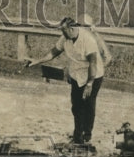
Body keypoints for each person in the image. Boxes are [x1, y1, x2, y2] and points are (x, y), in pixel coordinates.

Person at [26, 16, 104, 146]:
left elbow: (93, 63)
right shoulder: (65, 38)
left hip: (93, 74)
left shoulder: (88, 40)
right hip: (76, 74)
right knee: (76, 105)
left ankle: (87, 135)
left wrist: (89, 84)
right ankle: (77, 135)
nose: (62, 33)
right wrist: (37, 60)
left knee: (88, 104)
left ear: (72, 29)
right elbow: (53, 52)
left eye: (64, 30)